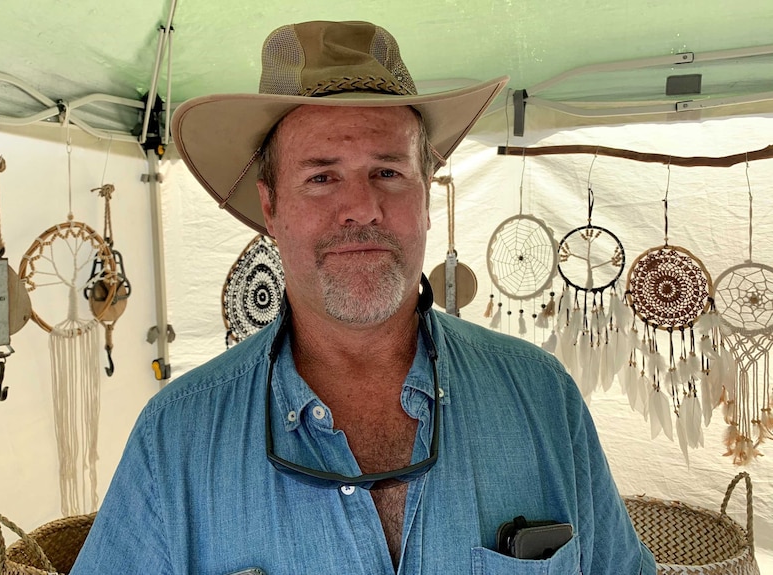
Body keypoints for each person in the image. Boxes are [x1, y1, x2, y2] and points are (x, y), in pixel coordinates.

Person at [72, 20, 656, 575]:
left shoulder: (540, 396)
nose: (362, 208)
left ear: (426, 197)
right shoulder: (179, 437)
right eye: (321, 177)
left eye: (387, 172)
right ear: (271, 207)